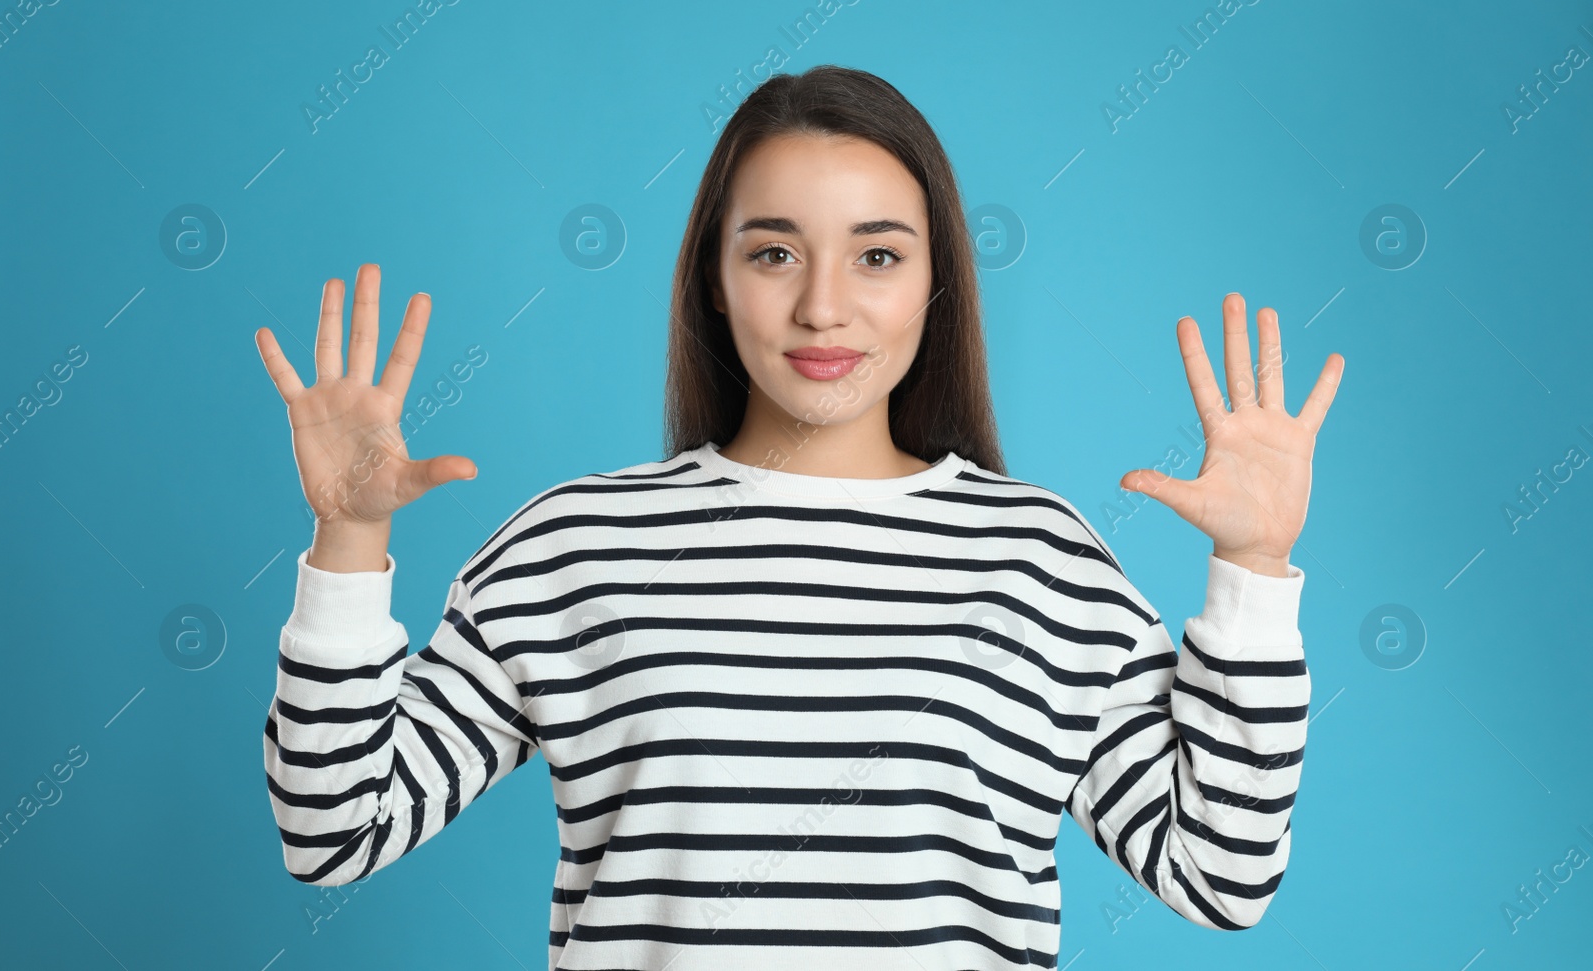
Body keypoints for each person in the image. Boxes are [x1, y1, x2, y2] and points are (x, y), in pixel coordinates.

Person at [255, 65, 1344, 970]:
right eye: (773, 250)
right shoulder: (574, 548)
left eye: (878, 254)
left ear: (935, 283)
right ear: (714, 280)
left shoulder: (1038, 562)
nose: (824, 303)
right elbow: (334, 829)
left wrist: (1254, 568)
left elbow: (1219, 872)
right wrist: (349, 544)